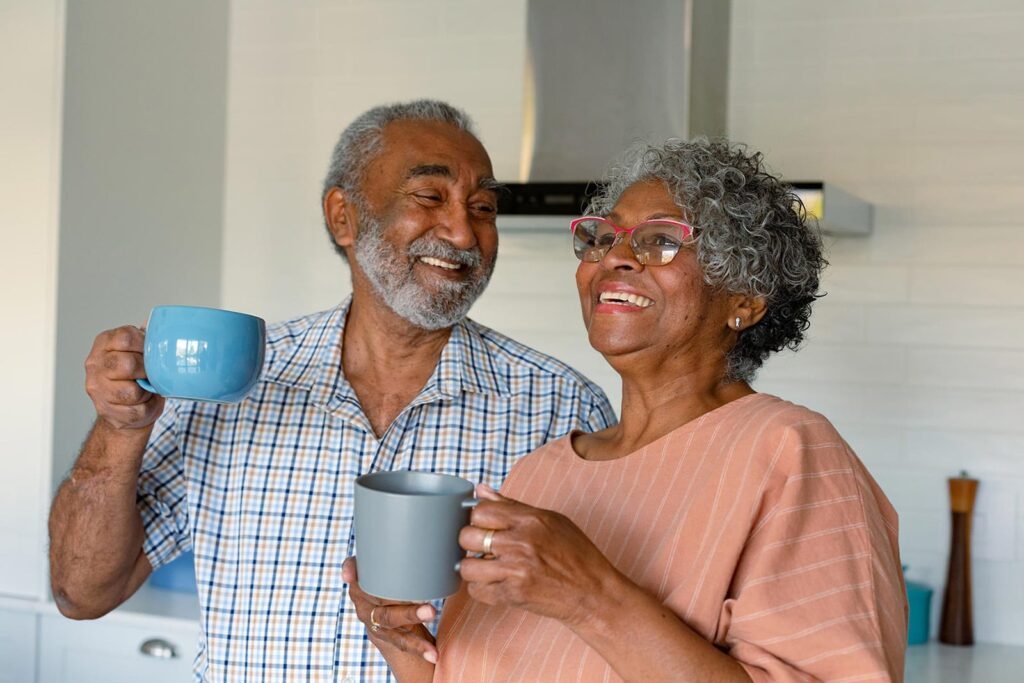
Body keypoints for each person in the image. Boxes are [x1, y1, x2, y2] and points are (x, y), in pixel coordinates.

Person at [47, 99, 615, 682]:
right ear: (343, 217)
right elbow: (81, 592)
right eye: (429, 197)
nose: (463, 231)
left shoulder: (561, 408)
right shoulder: (235, 384)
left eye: (484, 207)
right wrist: (120, 429)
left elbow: (597, 640)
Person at [347, 138, 908, 681]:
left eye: (660, 240)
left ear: (744, 300)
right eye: (602, 237)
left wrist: (591, 595)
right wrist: (399, 643)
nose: (613, 257)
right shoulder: (541, 473)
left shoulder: (791, 454)